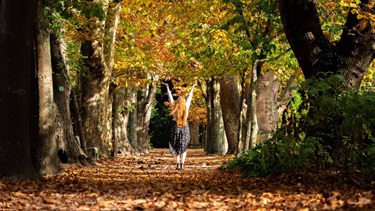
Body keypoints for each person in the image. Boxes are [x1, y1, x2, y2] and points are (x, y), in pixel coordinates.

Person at [163, 82, 196, 170]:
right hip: (185, 128)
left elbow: (170, 99)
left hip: (175, 127)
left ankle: (178, 164)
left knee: (176, 146)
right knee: (183, 147)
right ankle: (182, 164)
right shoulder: (186, 107)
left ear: (177, 102)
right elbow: (189, 97)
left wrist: (167, 88)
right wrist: (192, 87)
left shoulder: (174, 108)